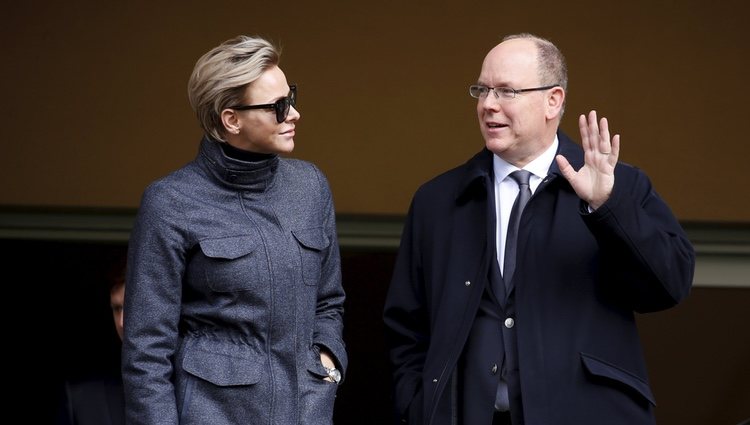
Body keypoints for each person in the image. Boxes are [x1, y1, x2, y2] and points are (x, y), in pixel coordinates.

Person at [383, 33, 695, 425]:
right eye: (482, 90)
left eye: (507, 92)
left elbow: (669, 286)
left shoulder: (617, 185)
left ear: (553, 100)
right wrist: (419, 406)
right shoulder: (438, 201)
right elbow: (406, 328)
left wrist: (607, 208)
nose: (488, 105)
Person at [122, 35, 347, 425]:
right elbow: (146, 351)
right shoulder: (170, 202)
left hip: (305, 411)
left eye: (291, 97)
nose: (294, 114)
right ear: (231, 119)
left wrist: (326, 363)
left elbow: (328, 301)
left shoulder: (310, 187)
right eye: (279, 106)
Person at [57, 253, 127, 425]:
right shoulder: (83, 397)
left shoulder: (193, 389)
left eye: (133, 306)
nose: (122, 322)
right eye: (117, 309)